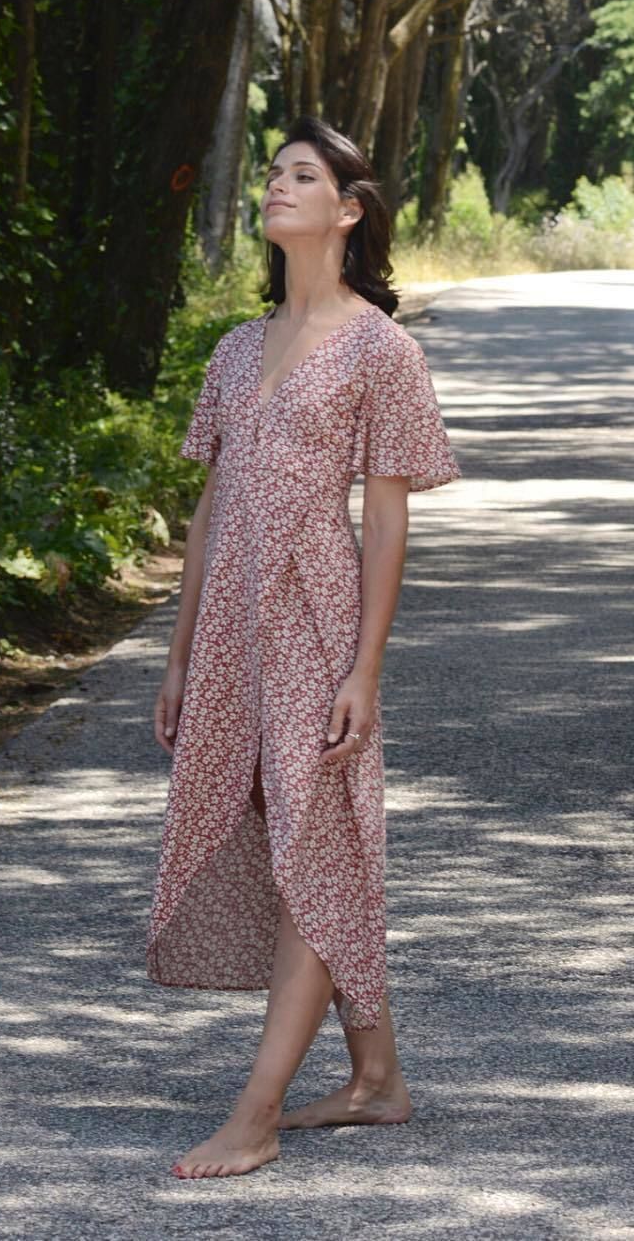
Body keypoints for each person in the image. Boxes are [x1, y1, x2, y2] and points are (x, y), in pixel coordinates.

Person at [147, 114, 462, 1180]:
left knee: (316, 849)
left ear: (349, 211)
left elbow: (386, 523)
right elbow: (210, 508)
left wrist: (363, 670)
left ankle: (257, 1113)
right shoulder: (235, 348)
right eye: (273, 172)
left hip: (314, 621)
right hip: (229, 630)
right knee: (301, 844)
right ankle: (376, 1080)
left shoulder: (382, 349)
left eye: (302, 175)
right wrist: (180, 656)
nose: (277, 185)